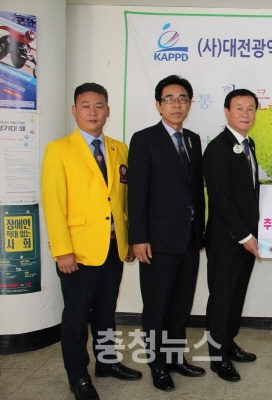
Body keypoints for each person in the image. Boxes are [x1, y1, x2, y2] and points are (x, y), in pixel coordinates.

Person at [41, 83, 142, 400]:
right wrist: (63, 251)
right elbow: (53, 204)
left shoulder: (119, 149)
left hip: (113, 246)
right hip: (78, 251)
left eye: (99, 105)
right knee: (76, 316)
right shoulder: (59, 150)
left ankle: (107, 362)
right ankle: (78, 376)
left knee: (106, 311)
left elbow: (125, 199)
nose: (93, 111)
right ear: (75, 110)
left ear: (108, 111)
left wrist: (130, 240)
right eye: (85, 105)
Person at [127, 75, 205, 392]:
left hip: (189, 238)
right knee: (157, 307)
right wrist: (138, 237)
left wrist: (200, 231)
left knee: (180, 305)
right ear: (158, 105)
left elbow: (194, 191)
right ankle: (158, 365)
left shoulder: (193, 140)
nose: (177, 104)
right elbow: (136, 193)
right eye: (170, 99)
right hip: (157, 240)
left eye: (182, 98)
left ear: (189, 104)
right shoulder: (144, 139)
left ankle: (174, 358)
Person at [203, 89, 261, 382]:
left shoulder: (249, 145)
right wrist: (244, 236)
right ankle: (217, 357)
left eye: (250, 108)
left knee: (236, 297)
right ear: (227, 111)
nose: (245, 114)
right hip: (227, 241)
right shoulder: (217, 148)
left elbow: (246, 192)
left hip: (247, 239)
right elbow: (220, 199)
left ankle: (228, 343)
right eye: (239, 108)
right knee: (221, 300)